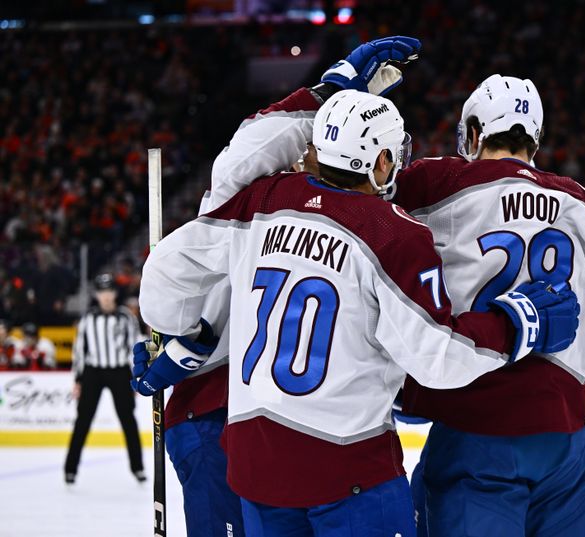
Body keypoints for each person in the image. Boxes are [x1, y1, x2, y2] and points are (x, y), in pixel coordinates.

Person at [207, 71, 585, 536]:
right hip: (564, 437)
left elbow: (348, 197)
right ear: (534, 139)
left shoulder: (432, 183)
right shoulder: (582, 203)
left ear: (472, 133)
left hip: (474, 427)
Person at [131, 77, 581, 537]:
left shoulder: (261, 201)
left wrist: (187, 339)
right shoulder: (393, 234)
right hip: (347, 468)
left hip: (255, 462)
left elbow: (165, 272)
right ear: (381, 160)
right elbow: (439, 358)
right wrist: (517, 323)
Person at [132, 36, 432, 537]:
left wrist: (177, 345)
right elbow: (240, 162)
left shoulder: (267, 213)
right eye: (306, 144)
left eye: (313, 144)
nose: (303, 154)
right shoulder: (252, 210)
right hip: (219, 422)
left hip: (252, 433)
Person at [64, 273, 145, 485]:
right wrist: (78, 379)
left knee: (128, 419)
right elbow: (79, 350)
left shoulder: (126, 317)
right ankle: (70, 469)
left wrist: (136, 375)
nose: (106, 296)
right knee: (83, 420)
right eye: (102, 292)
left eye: (109, 291)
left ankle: (138, 468)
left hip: (119, 371)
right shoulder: (88, 319)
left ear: (115, 293)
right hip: (93, 372)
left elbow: (134, 346)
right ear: (97, 294)